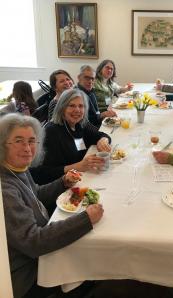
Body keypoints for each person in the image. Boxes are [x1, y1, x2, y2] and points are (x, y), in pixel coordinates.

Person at [0, 113, 104, 298]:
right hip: (27, 275)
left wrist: (63, 182)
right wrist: (85, 218)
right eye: (18, 141)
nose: (27, 148)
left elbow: (35, 194)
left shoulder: (15, 168)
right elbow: (34, 242)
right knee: (89, 257)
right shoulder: (5, 189)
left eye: (32, 141)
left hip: (37, 251)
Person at [30, 88, 111, 185]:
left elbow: (101, 135)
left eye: (81, 106)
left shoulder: (79, 123)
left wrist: (103, 140)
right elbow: (40, 174)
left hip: (82, 177)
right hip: (62, 186)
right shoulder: (51, 131)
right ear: (62, 108)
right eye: (72, 105)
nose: (77, 110)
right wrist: (77, 166)